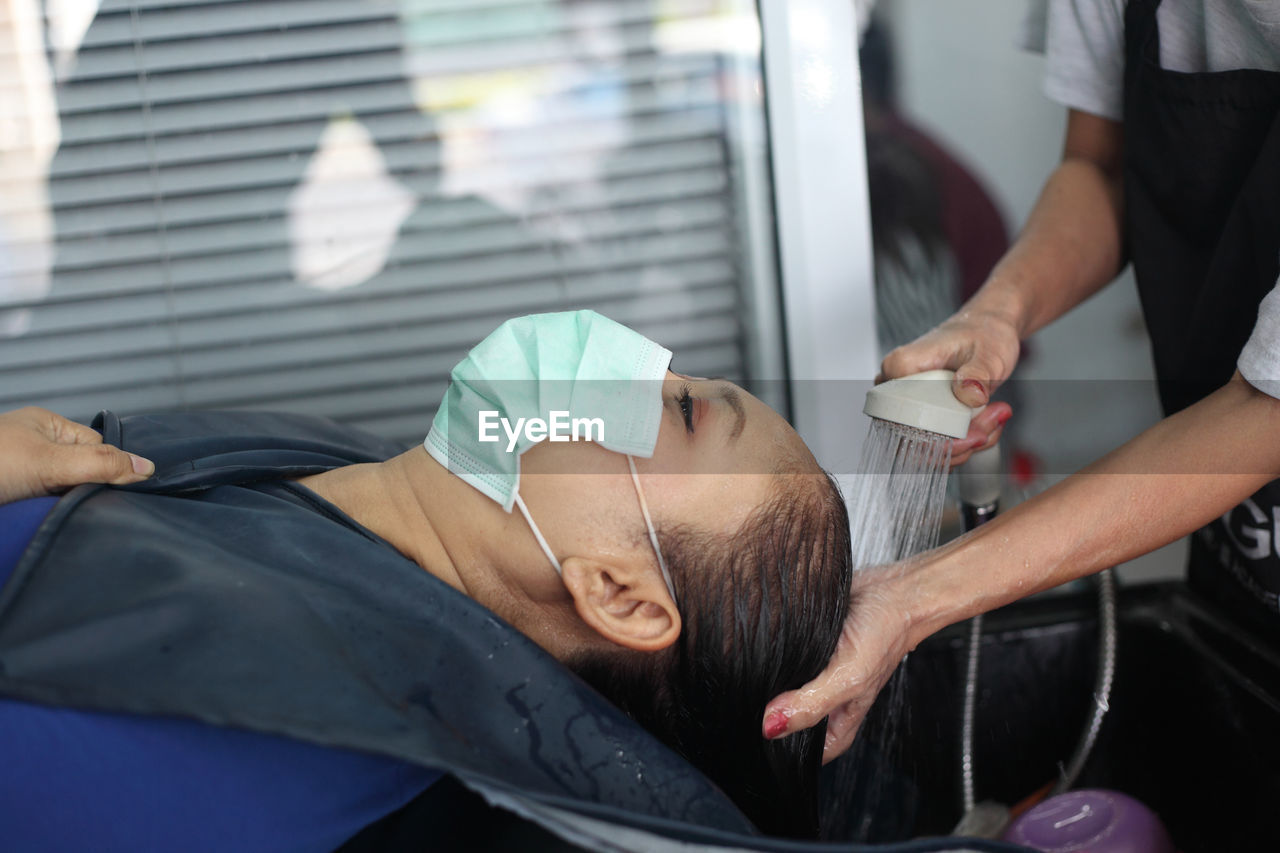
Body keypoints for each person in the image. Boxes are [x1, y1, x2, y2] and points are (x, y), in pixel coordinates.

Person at [0, 310, 853, 849]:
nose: (641, 361)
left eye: (681, 409)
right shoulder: (339, 464)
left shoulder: (275, 753)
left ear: (620, 594)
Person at [762, 0, 1280, 761]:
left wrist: (913, 597)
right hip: (1240, 552)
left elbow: (1264, 413)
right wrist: (995, 315)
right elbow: (1101, 168)